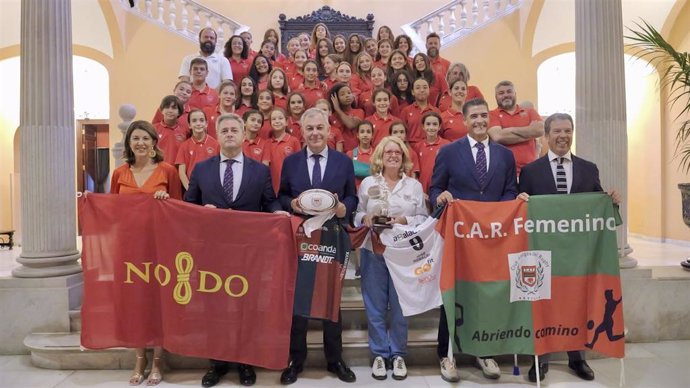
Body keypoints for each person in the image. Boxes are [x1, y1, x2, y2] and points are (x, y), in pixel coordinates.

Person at [517, 112, 620, 383]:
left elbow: (596, 205)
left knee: (577, 301)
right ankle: (540, 359)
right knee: (541, 304)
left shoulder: (589, 168)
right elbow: (521, 212)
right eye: (557, 131)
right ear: (546, 135)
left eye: (567, 131)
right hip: (542, 254)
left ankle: (578, 358)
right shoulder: (530, 171)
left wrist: (610, 202)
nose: (563, 136)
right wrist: (520, 200)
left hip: (578, 255)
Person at [184, 113, 286, 387]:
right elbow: (188, 205)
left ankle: (245, 362)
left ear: (243, 135)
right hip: (213, 252)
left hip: (248, 252)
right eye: (225, 130)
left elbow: (270, 203)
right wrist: (200, 212)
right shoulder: (202, 169)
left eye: (234, 130)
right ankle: (216, 364)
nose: (229, 134)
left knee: (246, 307)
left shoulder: (260, 171)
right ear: (217, 135)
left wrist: (281, 215)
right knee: (214, 308)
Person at [429, 98, 518, 382]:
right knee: (452, 294)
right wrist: (440, 198)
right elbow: (435, 188)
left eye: (483, 115)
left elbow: (509, 192)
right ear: (465, 121)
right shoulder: (449, 152)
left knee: (486, 294)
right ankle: (446, 354)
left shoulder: (505, 155)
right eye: (474, 117)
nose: (480, 120)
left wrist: (501, 215)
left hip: (492, 240)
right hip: (459, 238)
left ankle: (485, 351)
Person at [278, 107, 358, 385]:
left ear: (328, 130)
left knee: (331, 299)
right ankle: (295, 360)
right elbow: (282, 196)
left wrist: (342, 209)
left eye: (319, 128)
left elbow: (352, 197)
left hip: (333, 237)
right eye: (309, 128)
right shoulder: (290, 163)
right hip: (301, 239)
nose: (314, 133)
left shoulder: (343, 162)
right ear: (302, 131)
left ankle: (335, 359)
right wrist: (292, 204)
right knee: (299, 299)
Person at [110, 120, 182, 386]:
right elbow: (112, 210)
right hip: (129, 247)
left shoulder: (167, 171)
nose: (140, 143)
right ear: (129, 143)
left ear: (154, 142)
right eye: (135, 138)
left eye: (145, 138)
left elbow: (179, 209)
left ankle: (158, 361)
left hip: (159, 246)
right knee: (135, 302)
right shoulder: (119, 173)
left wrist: (166, 202)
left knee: (158, 301)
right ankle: (139, 358)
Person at [355, 135, 427, 381]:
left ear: (404, 157)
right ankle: (378, 354)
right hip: (372, 249)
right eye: (388, 153)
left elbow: (423, 219)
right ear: (380, 157)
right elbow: (358, 213)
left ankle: (397, 354)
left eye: (398, 152)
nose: (393, 156)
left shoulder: (414, 186)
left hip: (403, 254)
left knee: (399, 306)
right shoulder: (367, 183)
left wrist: (404, 220)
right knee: (374, 305)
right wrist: (365, 219)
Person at [488, 80, 544, 175]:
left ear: (515, 93)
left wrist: (508, 131)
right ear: (496, 97)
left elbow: (540, 130)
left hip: (530, 171)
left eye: (509, 91)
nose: (506, 95)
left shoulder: (530, 111)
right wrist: (529, 132)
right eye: (501, 93)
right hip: (503, 172)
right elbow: (498, 137)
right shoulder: (491, 114)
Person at [175, 109, 219, 190]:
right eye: (194, 121)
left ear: (206, 124)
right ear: (189, 125)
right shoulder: (184, 146)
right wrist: (190, 189)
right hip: (191, 188)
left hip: (211, 189)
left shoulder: (216, 144)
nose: (198, 123)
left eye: (201, 120)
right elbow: (181, 173)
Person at [268, 108, 301, 193]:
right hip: (271, 186)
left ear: (286, 122)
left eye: (280, 118)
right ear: (270, 123)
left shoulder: (294, 141)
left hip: (289, 186)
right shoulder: (267, 142)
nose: (277, 121)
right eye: (274, 119)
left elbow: (299, 164)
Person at [416, 111, 450, 194]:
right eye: (428, 124)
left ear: (439, 127)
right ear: (423, 126)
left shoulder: (447, 145)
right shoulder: (417, 146)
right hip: (422, 190)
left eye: (435, 124)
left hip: (441, 190)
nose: (431, 127)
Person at [400, 78, 441, 144]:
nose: (422, 90)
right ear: (412, 92)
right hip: (411, 148)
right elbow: (401, 132)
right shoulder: (406, 111)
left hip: (430, 147)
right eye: (418, 88)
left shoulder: (436, 111)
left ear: (429, 90)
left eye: (425, 87)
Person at [153, 95, 187, 165]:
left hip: (177, 171)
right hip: (158, 170)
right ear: (161, 110)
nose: (170, 110)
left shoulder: (185, 131)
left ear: (179, 112)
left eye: (174, 108)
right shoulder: (153, 129)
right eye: (167, 107)